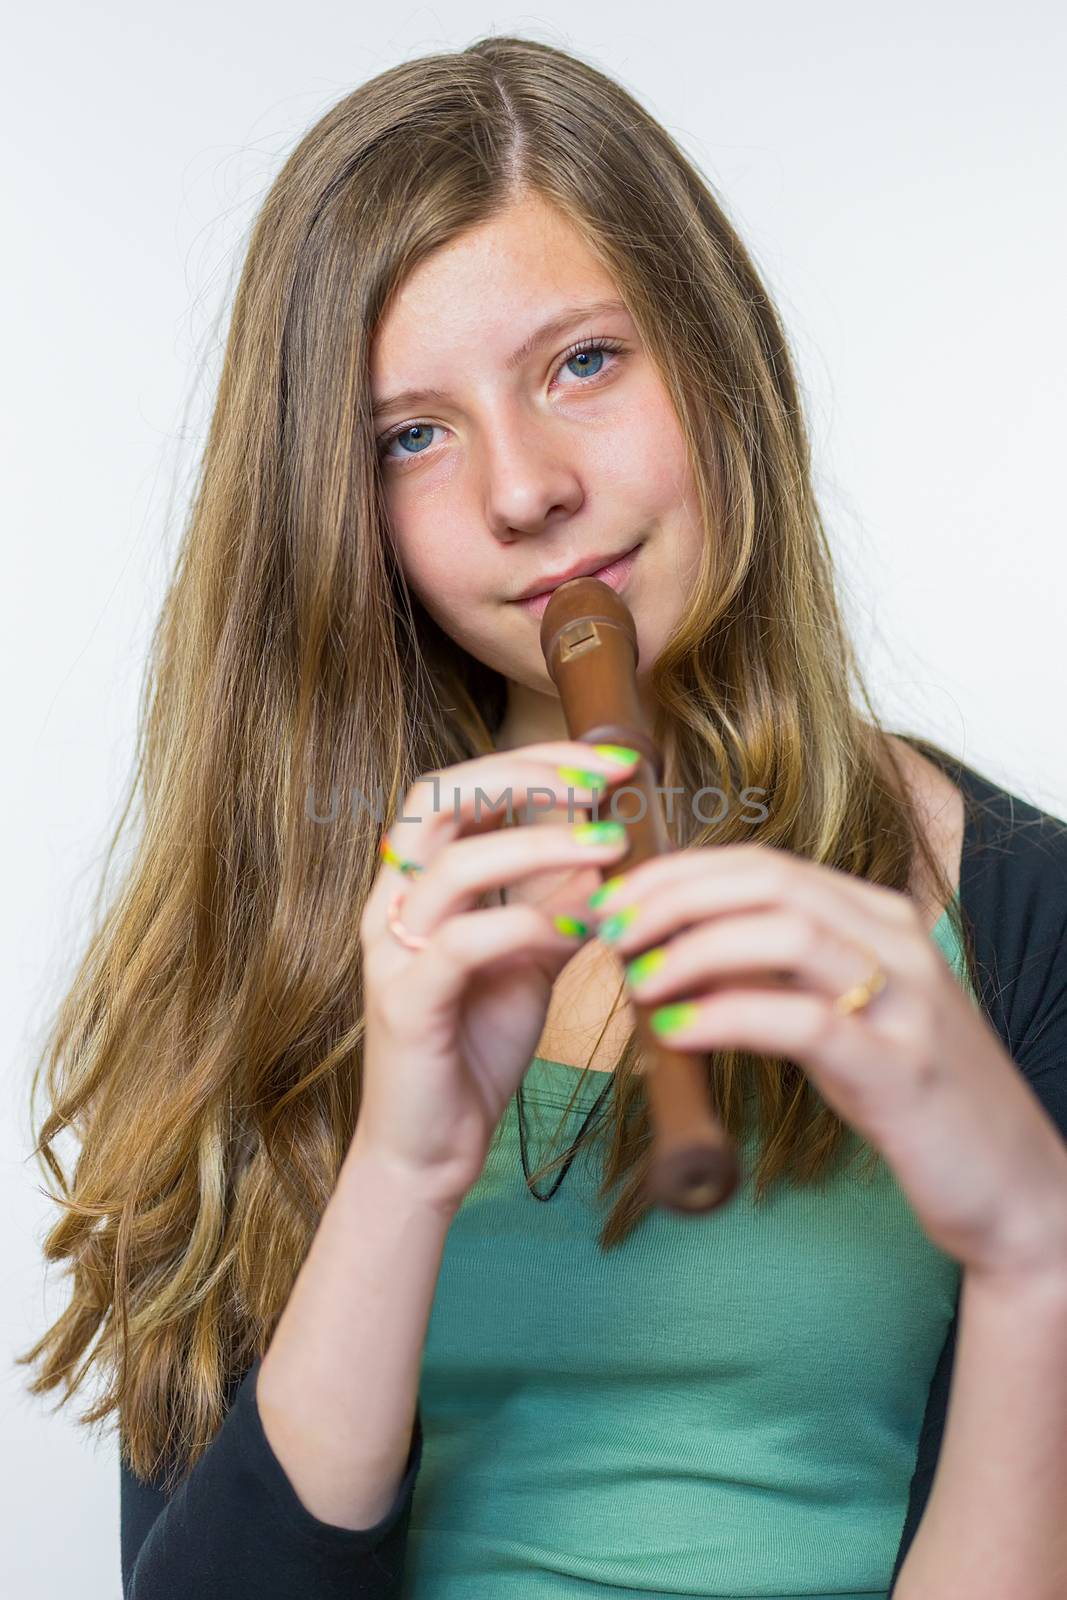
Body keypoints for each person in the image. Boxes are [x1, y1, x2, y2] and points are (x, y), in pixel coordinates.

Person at [23, 33, 1067, 1600]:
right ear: (343, 510)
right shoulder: (255, 940)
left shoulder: (1023, 912)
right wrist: (401, 1166)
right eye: (412, 437)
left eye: (583, 362)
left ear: (718, 364)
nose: (524, 491)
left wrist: (1038, 1249)